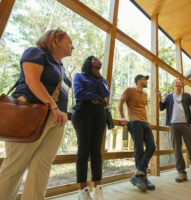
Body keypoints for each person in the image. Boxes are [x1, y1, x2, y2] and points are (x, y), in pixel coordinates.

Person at [0, 29, 73, 200]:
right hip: (31, 114)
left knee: (43, 165)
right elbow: (32, 81)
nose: (73, 46)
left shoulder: (61, 67)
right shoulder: (36, 53)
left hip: (56, 119)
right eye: (69, 42)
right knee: (15, 165)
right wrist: (53, 106)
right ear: (56, 40)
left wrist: (58, 112)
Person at [72, 56, 110, 200]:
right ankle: (83, 191)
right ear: (88, 63)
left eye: (99, 63)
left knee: (96, 151)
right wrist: (97, 95)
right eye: (95, 60)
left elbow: (106, 94)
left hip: (99, 113)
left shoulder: (101, 79)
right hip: (83, 111)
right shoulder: (79, 76)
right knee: (83, 150)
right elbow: (79, 94)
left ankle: (98, 189)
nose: (98, 61)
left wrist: (100, 80)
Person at [157, 78, 191, 183]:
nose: (179, 84)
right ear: (173, 86)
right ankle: (181, 172)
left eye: (180, 83)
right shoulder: (169, 97)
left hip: (186, 124)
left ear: (182, 86)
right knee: (177, 149)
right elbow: (161, 108)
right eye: (176, 83)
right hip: (174, 125)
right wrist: (159, 97)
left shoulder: (187, 96)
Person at [118, 74, 156, 192]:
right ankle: (142, 177)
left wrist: (147, 120)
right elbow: (121, 102)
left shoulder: (145, 94)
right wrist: (123, 117)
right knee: (139, 148)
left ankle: (138, 175)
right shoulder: (129, 90)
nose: (146, 82)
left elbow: (143, 108)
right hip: (134, 122)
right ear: (139, 81)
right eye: (145, 80)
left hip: (144, 123)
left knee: (152, 146)